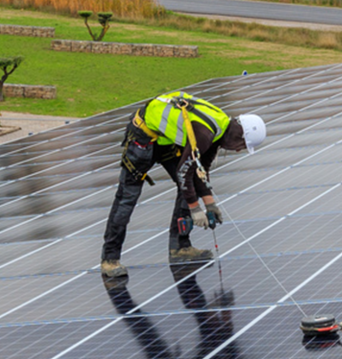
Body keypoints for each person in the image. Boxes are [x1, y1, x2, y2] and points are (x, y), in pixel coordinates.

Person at [100, 91, 265, 278]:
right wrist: (195, 209)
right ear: (239, 136)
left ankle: (180, 247)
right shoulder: (205, 133)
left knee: (187, 187)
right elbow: (184, 172)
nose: (237, 150)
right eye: (242, 146)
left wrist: (210, 203)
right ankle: (109, 259)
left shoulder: (221, 129)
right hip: (143, 135)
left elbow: (200, 169)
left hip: (164, 139)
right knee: (127, 197)